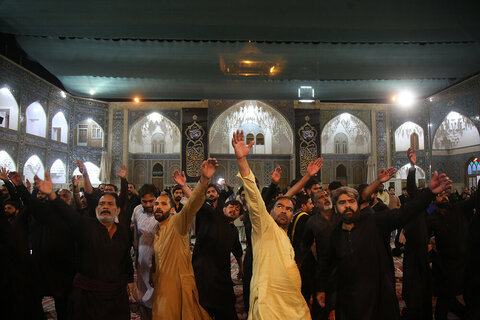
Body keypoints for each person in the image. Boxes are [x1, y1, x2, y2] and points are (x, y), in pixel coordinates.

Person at [323, 169, 451, 320]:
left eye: (351, 201)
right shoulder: (335, 235)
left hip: (378, 296)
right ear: (336, 207)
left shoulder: (374, 222)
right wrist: (331, 304)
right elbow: (331, 272)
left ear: (357, 205)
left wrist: (429, 192)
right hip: (349, 302)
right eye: (342, 203)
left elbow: (405, 212)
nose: (348, 206)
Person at [233, 129, 321, 320]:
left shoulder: (285, 237)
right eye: (279, 207)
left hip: (293, 303)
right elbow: (255, 198)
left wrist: (306, 177)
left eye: (289, 209)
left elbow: (288, 196)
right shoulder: (265, 226)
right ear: (270, 211)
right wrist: (242, 160)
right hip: (269, 304)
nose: (284, 210)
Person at [37, 166, 134, 320]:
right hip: (88, 298)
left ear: (117, 211)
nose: (105, 207)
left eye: (110, 204)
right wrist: (52, 196)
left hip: (116, 297)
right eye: (102, 204)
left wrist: (130, 280)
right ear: (96, 209)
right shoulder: (86, 226)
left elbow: (125, 257)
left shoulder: (122, 231)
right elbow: (69, 214)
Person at [150, 158, 218, 320]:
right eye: (156, 204)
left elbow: (193, 204)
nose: (158, 207)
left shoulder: (177, 222)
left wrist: (204, 180)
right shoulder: (157, 228)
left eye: (164, 204)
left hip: (179, 286)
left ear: (172, 209)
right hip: (162, 286)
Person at [193, 199, 243, 319]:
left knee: (227, 308)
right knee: (204, 310)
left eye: (237, 209)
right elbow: (199, 203)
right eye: (231, 207)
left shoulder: (233, 230)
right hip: (204, 274)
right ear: (223, 209)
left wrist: (241, 268)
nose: (234, 211)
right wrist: (184, 186)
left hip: (222, 276)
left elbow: (238, 251)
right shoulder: (211, 221)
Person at [131, 183, 160, 320]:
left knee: (157, 288)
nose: (148, 204)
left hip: (159, 256)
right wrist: (136, 255)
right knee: (143, 286)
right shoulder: (137, 211)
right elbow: (136, 234)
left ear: (156, 199)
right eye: (144, 201)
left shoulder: (163, 210)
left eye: (151, 201)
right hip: (142, 253)